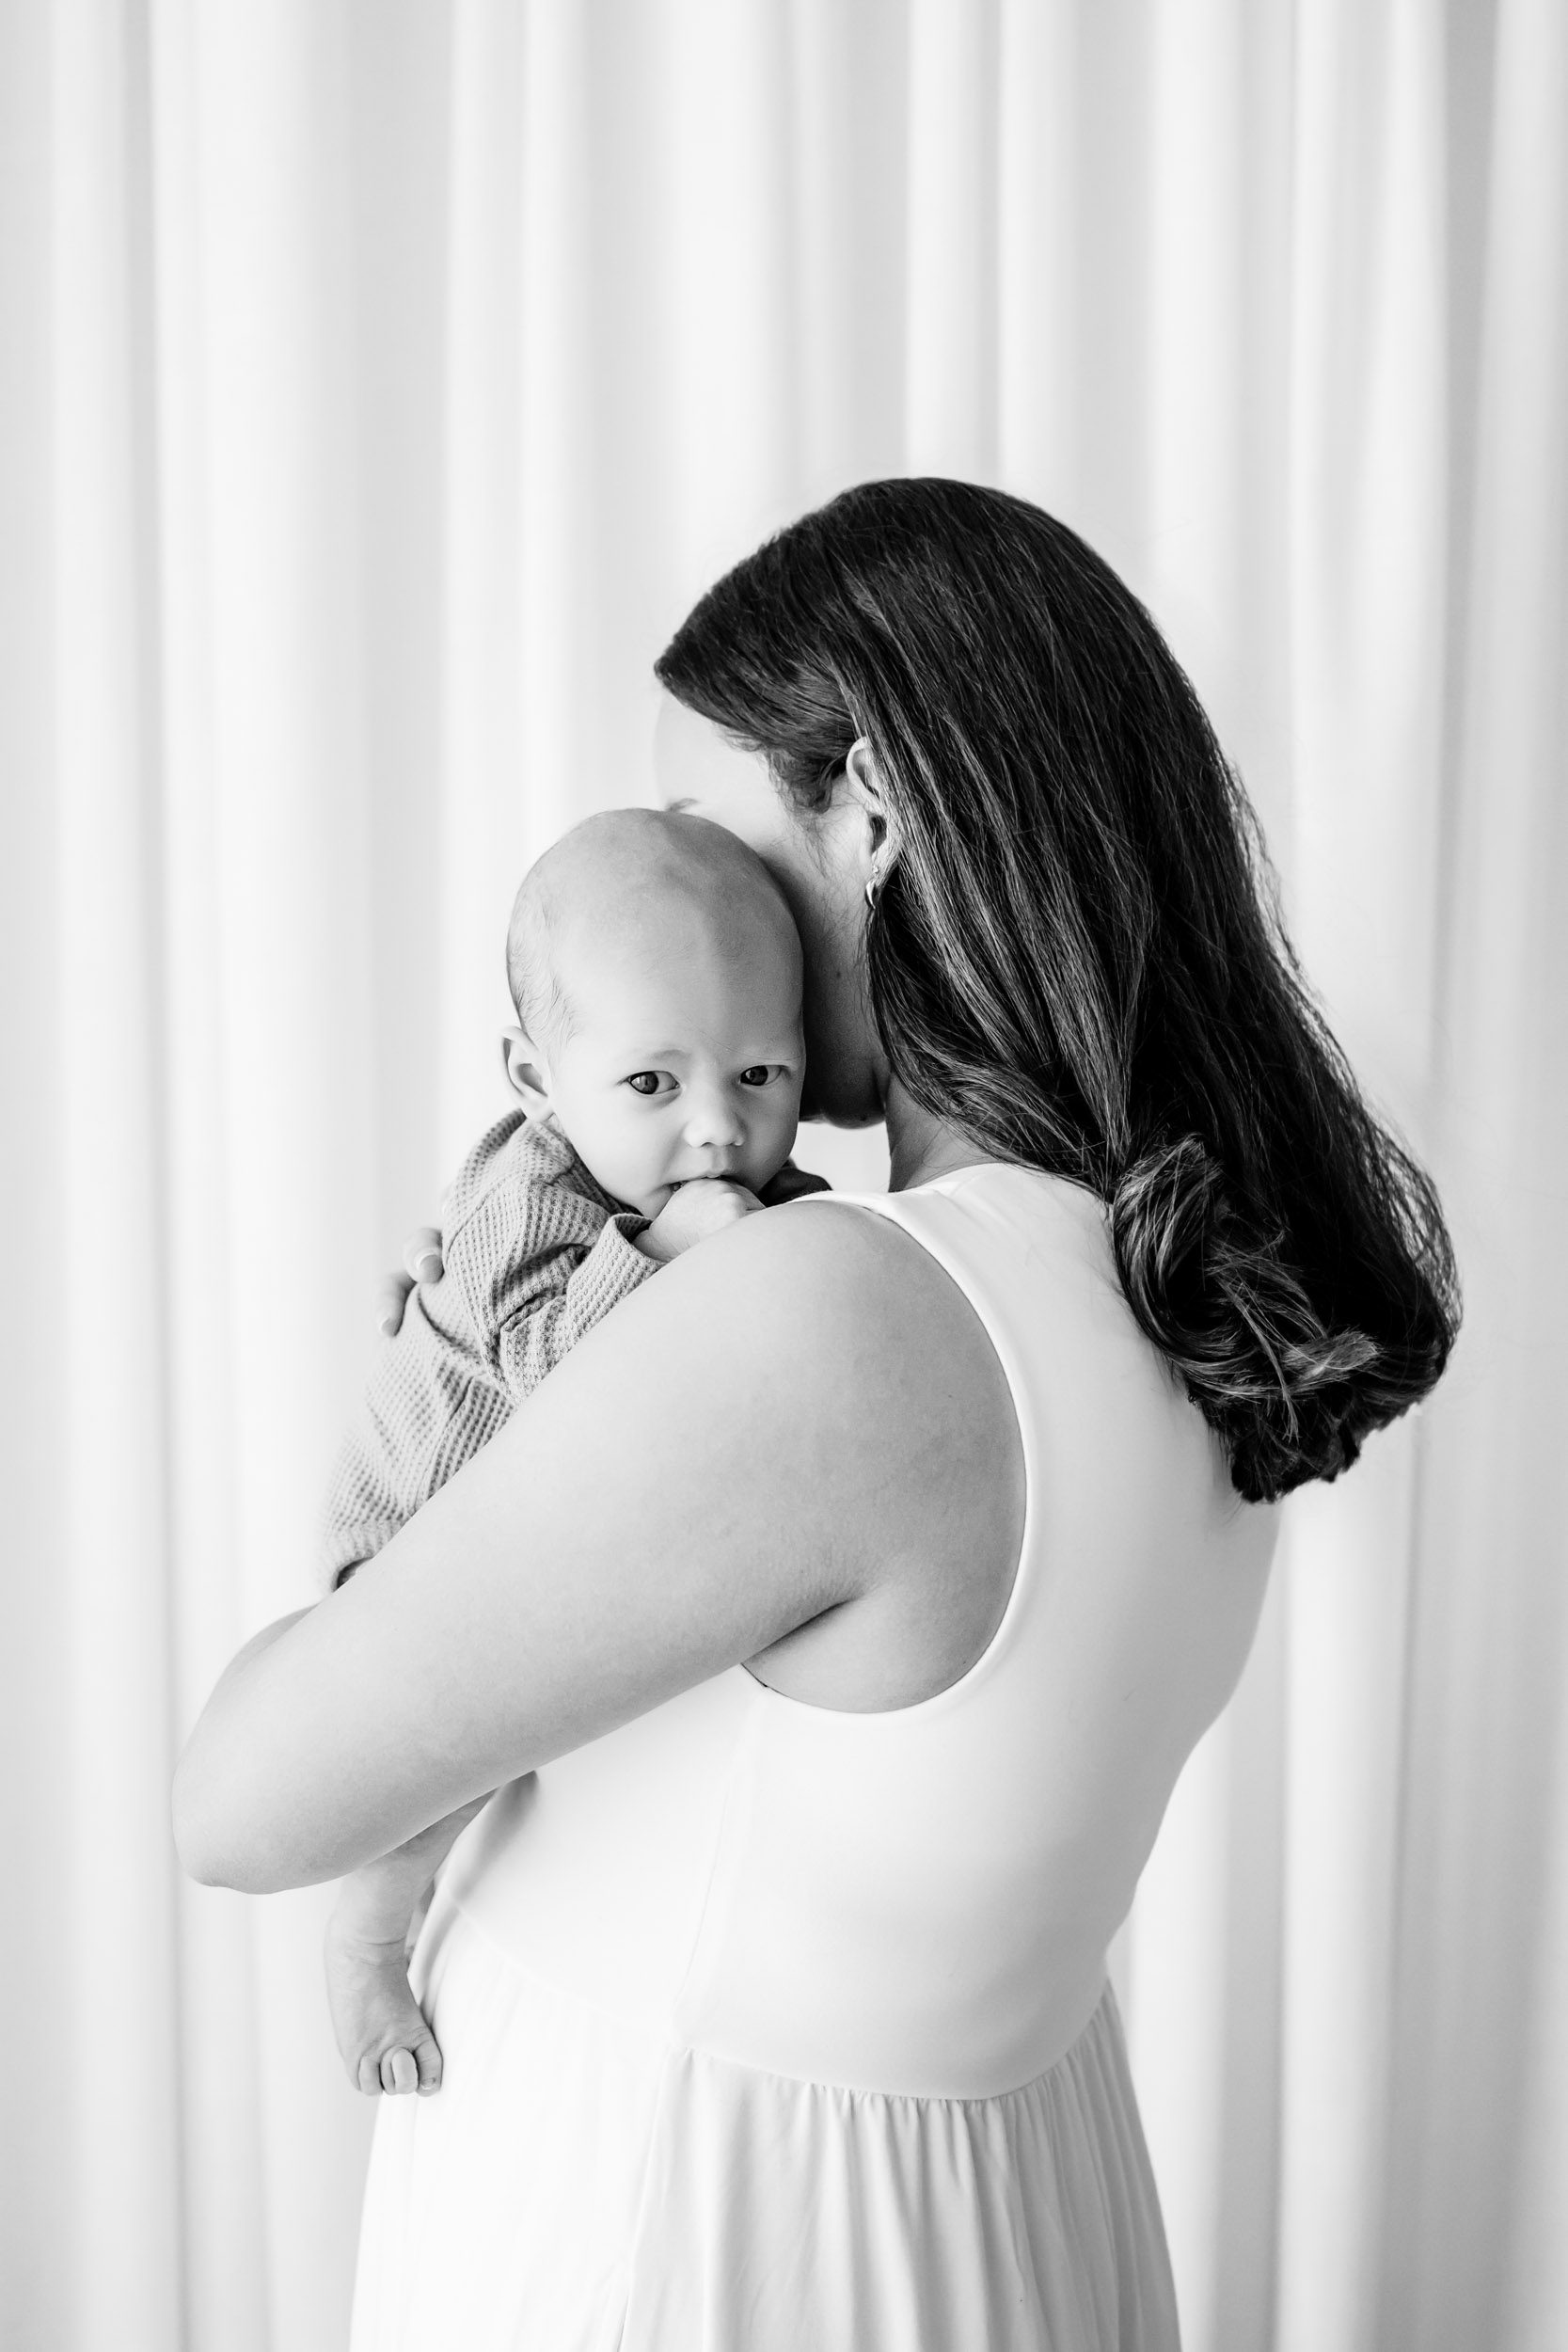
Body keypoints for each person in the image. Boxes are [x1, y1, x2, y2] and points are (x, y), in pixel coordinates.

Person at [175, 479, 1458, 2352]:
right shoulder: (1202, 1298)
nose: (705, 900)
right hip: (990, 2239)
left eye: (721, 822)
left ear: (870, 808)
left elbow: (242, 1796)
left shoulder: (848, 1309)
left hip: (680, 2249)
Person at [321, 805, 814, 2103]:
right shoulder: (524, 1200)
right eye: (653, 1084)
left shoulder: (708, 1181)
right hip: (412, 1548)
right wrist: (663, 1255)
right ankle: (370, 1933)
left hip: (531, 1552)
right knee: (448, 1759)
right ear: (538, 1082)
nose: (715, 1129)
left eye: (759, 1076)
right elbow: (551, 1372)